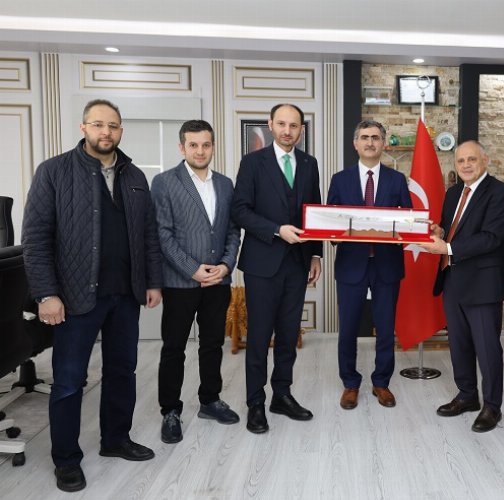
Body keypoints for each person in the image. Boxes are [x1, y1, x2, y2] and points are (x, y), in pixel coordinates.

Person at [22, 99, 162, 492]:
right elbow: (35, 239)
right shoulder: (54, 171)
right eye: (98, 124)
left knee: (122, 371)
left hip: (126, 294)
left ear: (121, 130)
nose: (106, 132)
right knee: (69, 380)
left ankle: (115, 439)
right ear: (83, 127)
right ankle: (66, 459)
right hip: (74, 296)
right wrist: (46, 294)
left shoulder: (134, 175)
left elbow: (149, 235)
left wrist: (152, 281)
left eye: (113, 125)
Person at [231, 103, 322, 434]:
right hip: (262, 264)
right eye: (281, 124)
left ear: (301, 130)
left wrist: (316, 255)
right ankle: (255, 402)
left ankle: (281, 395)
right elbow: (240, 210)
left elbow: (314, 212)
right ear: (270, 125)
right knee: (258, 337)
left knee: (288, 334)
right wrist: (275, 230)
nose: (287, 131)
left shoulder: (309, 164)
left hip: (297, 264)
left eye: (294, 125)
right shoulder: (252, 162)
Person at [151, 120, 241, 444]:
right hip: (180, 282)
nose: (200, 151)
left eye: (206, 145)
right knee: (174, 348)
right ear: (182, 147)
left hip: (218, 282)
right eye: (193, 145)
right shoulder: (164, 182)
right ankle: (170, 411)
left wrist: (225, 265)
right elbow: (162, 234)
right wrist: (192, 269)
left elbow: (233, 231)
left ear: (213, 146)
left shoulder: (226, 184)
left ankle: (210, 401)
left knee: (212, 344)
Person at [419, 140, 504, 432]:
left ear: (485, 160)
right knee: (459, 344)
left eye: (472, 159)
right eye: (460, 161)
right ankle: (467, 396)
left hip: (482, 284)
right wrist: (440, 231)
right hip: (453, 280)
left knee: (487, 349)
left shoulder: (500, 193)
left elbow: (491, 238)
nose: (466, 165)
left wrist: (446, 247)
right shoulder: (453, 194)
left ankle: (492, 407)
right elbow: (453, 230)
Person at [327, 119, 412, 410]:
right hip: (351, 264)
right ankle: (350, 383)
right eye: (364, 137)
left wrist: (406, 230)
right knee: (348, 328)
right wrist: (334, 234)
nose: (370, 142)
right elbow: (330, 222)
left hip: (386, 264)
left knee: (386, 328)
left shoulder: (397, 179)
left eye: (375, 137)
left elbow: (408, 220)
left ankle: (381, 382)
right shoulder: (340, 180)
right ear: (356, 144)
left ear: (383, 143)